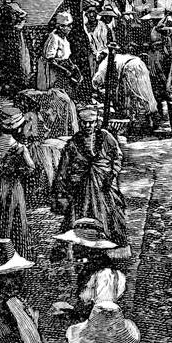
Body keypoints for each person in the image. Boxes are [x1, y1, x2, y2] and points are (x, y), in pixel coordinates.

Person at [52, 105, 128, 246]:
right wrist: (61, 189)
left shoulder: (105, 137)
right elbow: (64, 167)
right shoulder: (73, 143)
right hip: (81, 187)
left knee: (111, 215)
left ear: (95, 122)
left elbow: (117, 156)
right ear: (80, 123)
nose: (88, 126)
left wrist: (112, 173)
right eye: (84, 123)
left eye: (91, 123)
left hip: (104, 184)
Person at [0, 106, 34, 256]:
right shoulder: (20, 148)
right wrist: (15, 172)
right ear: (18, 128)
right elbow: (31, 168)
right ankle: (13, 255)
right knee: (13, 223)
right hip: (13, 190)